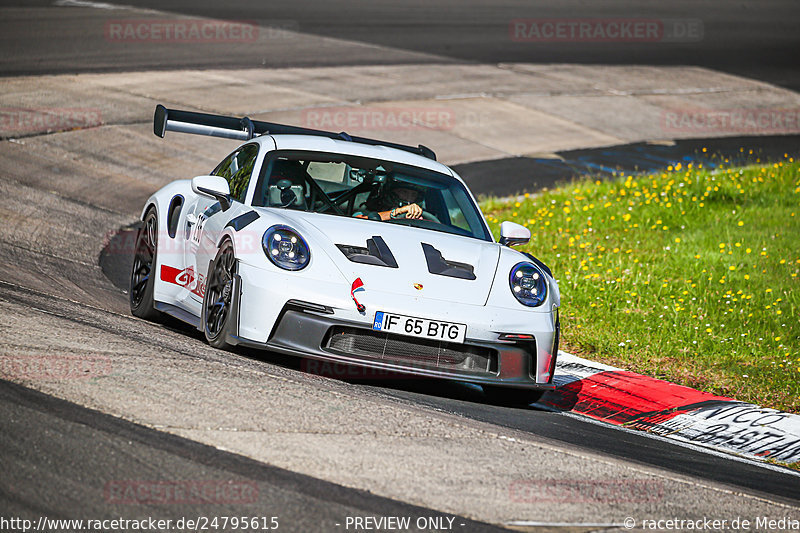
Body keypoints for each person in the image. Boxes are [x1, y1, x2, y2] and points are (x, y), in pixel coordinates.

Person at [354, 180, 425, 221]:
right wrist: (398, 212)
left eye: (413, 195)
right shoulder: (365, 212)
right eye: (404, 192)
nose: (408, 198)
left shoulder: (423, 217)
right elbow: (358, 221)